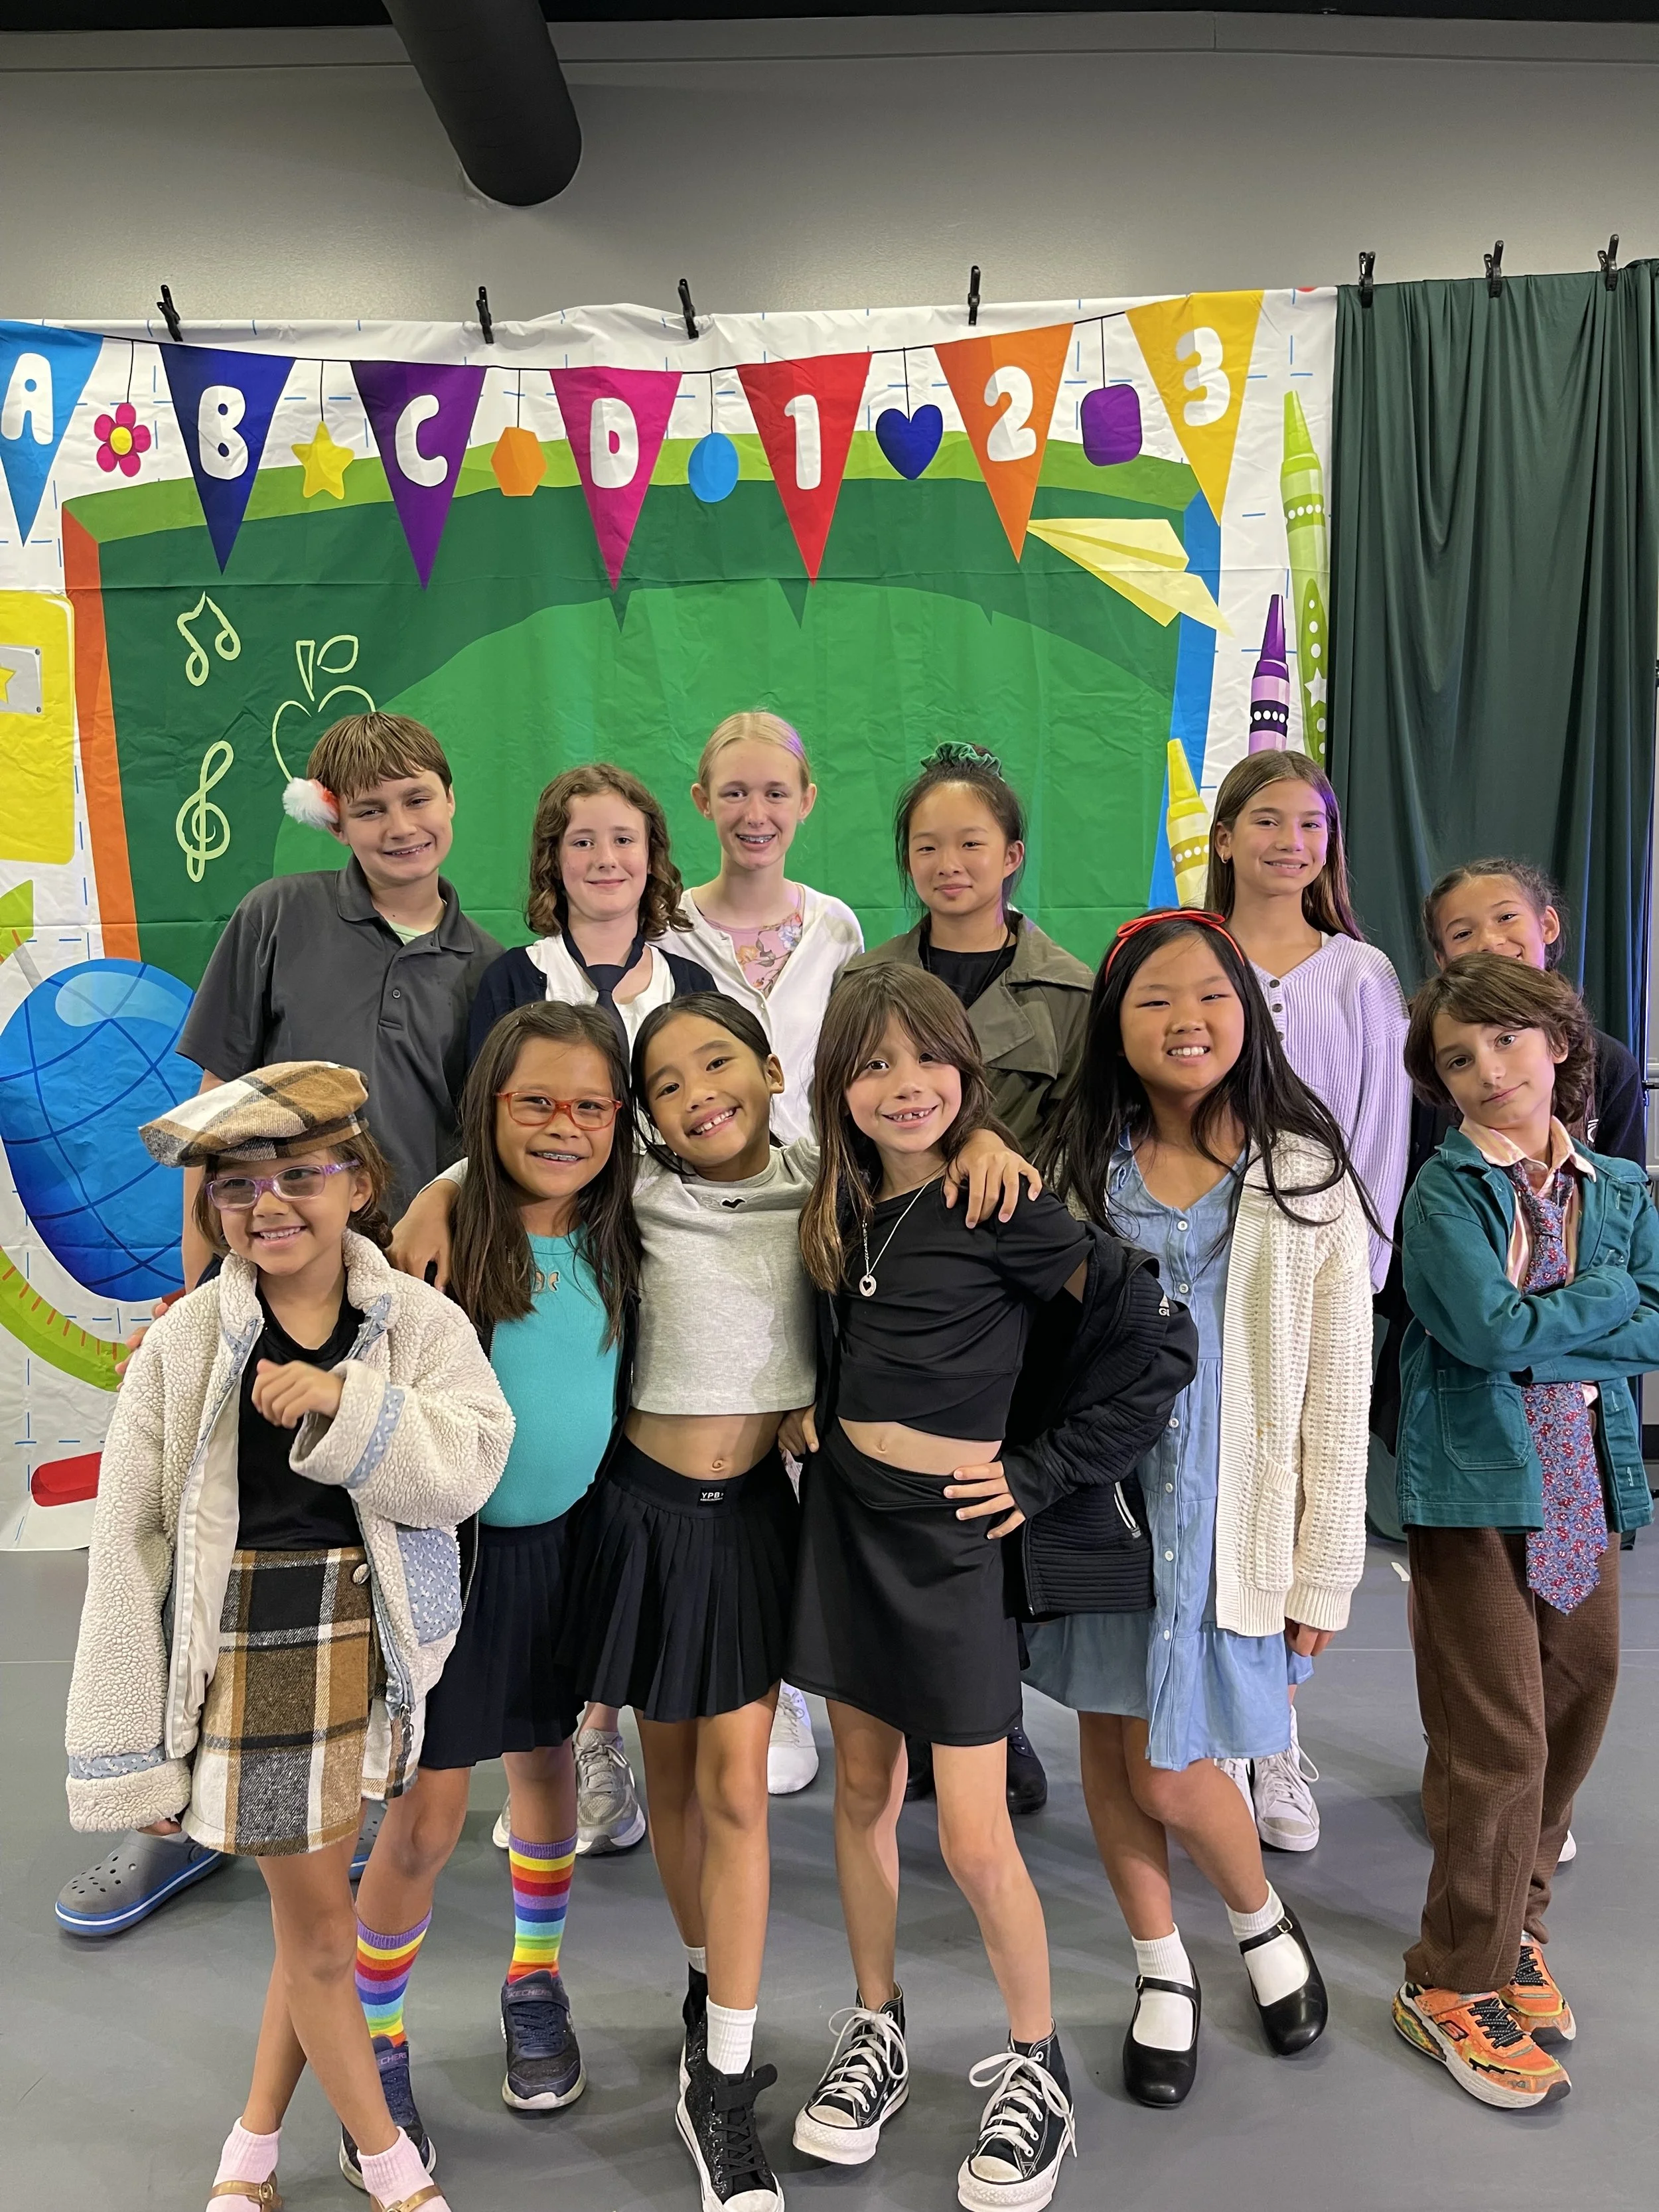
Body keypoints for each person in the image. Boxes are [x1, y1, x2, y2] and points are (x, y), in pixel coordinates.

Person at [388, 992, 1036, 2212]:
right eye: (668, 1083)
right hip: (629, 1520)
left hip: (751, 1526)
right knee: (673, 1783)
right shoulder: (635, 1188)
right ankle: (705, 1996)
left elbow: (917, 1176)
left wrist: (982, 1143)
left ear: (775, 1068)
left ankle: (723, 2080)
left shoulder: (825, 1191)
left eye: (720, 1065)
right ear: (648, 1114)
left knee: (740, 1789)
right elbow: (544, 1150)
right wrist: (440, 1186)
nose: (699, 1096)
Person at [56, 716, 503, 1943]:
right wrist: (202, 1297)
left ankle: (333, 1806)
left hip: (397, 1305)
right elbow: (210, 1119)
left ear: (451, 800)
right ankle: (168, 1819)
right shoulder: (276, 916)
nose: (399, 827)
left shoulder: (491, 959)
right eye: (370, 811)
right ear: (334, 820)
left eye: (417, 800)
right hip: (253, 1287)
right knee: (198, 1550)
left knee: (361, 1557)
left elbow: (487, 1148)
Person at [63, 1062, 512, 2212]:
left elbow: (472, 1459)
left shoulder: (414, 1320)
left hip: (389, 1643)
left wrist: (344, 1404)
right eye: (238, 1186)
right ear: (210, 1207)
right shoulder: (182, 1347)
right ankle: (389, 2164)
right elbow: (132, 1549)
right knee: (318, 1923)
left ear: (359, 1181)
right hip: (252, 1650)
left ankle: (252, 2148)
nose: (272, 1206)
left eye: (304, 1174)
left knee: (309, 1917)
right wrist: (133, 1753)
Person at [786, 964, 1194, 2212]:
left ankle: (1037, 2060)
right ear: (838, 1089)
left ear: (966, 1072)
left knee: (970, 1831)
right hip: (844, 1527)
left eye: (928, 1063)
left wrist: (1045, 1471)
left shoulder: (1005, 1200)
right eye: (872, 1067)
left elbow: (1157, 1341)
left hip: (955, 1541)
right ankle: (877, 2024)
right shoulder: (839, 1205)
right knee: (861, 1788)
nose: (904, 1088)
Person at [1024, 911, 1373, 2108]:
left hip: (1232, 1519)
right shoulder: (1079, 1175)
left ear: (1250, 1014)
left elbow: (1338, 1388)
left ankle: (1262, 1919)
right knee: (1114, 1752)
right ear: (1113, 1029)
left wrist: (1323, 1569)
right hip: (1101, 1511)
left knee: (1178, 1769)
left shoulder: (1305, 1174)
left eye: (1211, 997)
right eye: (1154, 1000)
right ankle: (1159, 1967)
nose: (1187, 1021)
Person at [343, 1003, 640, 2183]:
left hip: (569, 1552)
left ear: (622, 1121)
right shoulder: (439, 1239)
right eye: (534, 1104)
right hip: (446, 1559)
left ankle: (534, 1978)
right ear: (487, 1111)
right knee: (421, 1817)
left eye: (590, 1106)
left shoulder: (629, 1226)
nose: (564, 1127)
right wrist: (447, 1186)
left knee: (549, 1766)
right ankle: (380, 2045)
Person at [1392, 953, 1659, 2111]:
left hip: (1584, 1481)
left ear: (1561, 1046)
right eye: (1459, 1058)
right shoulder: (1446, 1193)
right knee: (1496, 1736)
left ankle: (1514, 1931)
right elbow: (1490, 1335)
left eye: (1506, 1042)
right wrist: (1599, 1315)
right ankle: (1451, 1980)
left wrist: (1562, 1325)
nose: (1486, 1071)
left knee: (1578, 1699)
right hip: (1476, 1489)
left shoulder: (1622, 1188)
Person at [467, 761, 713, 1859]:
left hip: (655, 1261)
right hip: (548, 1264)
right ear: (550, 862)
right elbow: (475, 1123)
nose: (604, 860)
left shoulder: (695, 983)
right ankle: (566, 1738)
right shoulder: (509, 977)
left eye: (624, 841)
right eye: (581, 843)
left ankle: (604, 1718)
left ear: (655, 859)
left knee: (624, 1486)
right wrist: (444, 1195)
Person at [843, 740, 1091, 1812]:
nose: (950, 864)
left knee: (994, 1512)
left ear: (1013, 857)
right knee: (894, 1513)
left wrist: (1013, 1203)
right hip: (891, 1280)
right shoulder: (869, 981)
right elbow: (841, 1123)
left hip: (1013, 1299)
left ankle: (997, 1721)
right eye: (928, 846)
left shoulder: (1073, 993)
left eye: (972, 844)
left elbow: (1087, 1150)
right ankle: (906, 1713)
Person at [1205, 747, 1409, 1854]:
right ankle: (1215, 1733)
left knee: (1295, 1498)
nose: (1291, 842)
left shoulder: (1362, 977)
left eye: (1312, 824)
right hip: (1197, 1269)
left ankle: (1276, 1732)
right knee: (1209, 1492)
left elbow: (1381, 1136)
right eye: (1269, 820)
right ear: (1226, 837)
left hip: (1313, 1276)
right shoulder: (1191, 956)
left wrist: (1357, 1284)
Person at [678, 709, 865, 1796]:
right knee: (731, 1440)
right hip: (704, 1227)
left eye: (775, 793)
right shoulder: (663, 930)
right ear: (702, 803)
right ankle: (767, 1682)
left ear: (806, 802)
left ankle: (833, 1669)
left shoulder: (837, 929)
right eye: (733, 792)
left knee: (815, 1434)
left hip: (821, 1216)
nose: (756, 813)